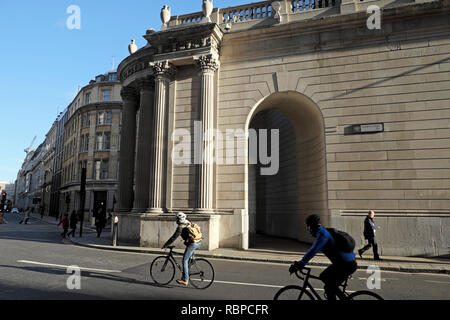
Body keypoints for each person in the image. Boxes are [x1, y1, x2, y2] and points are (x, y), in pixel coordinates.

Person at [289, 214, 357, 300]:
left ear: (312, 226)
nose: (307, 229)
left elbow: (313, 250)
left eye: (308, 226)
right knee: (324, 277)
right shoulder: (322, 232)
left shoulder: (322, 234)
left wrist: (301, 264)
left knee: (329, 287)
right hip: (342, 263)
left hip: (347, 264)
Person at [162, 212, 202, 286]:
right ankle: (188, 267)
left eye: (177, 218)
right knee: (187, 257)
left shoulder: (180, 227)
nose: (176, 220)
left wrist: (165, 245)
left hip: (193, 244)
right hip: (198, 242)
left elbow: (173, 237)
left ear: (179, 219)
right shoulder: (187, 222)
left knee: (184, 260)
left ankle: (185, 280)